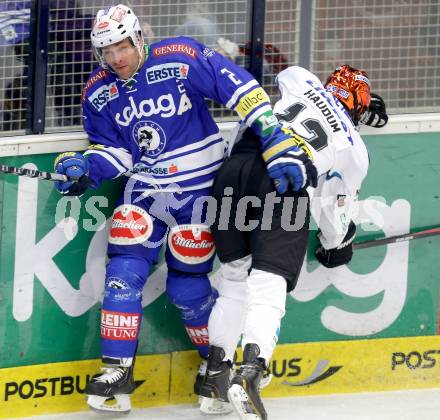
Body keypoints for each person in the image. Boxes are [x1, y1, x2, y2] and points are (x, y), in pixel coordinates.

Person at [52, 4, 317, 413]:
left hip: (199, 188)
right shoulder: (98, 91)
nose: (116, 58)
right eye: (106, 51)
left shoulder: (179, 57)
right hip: (145, 190)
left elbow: (241, 89)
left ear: (139, 37)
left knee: (188, 286)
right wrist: (86, 166)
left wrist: (273, 136)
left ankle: (217, 372)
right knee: (122, 273)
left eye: (121, 46)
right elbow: (116, 152)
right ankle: (116, 372)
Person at [199, 64, 388, 419]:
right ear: (359, 106)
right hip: (283, 182)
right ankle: (252, 371)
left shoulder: (301, 79)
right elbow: (335, 219)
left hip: (231, 175)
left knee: (234, 283)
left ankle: (214, 381)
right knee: (268, 282)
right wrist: (336, 247)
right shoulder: (354, 150)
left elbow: (281, 78)